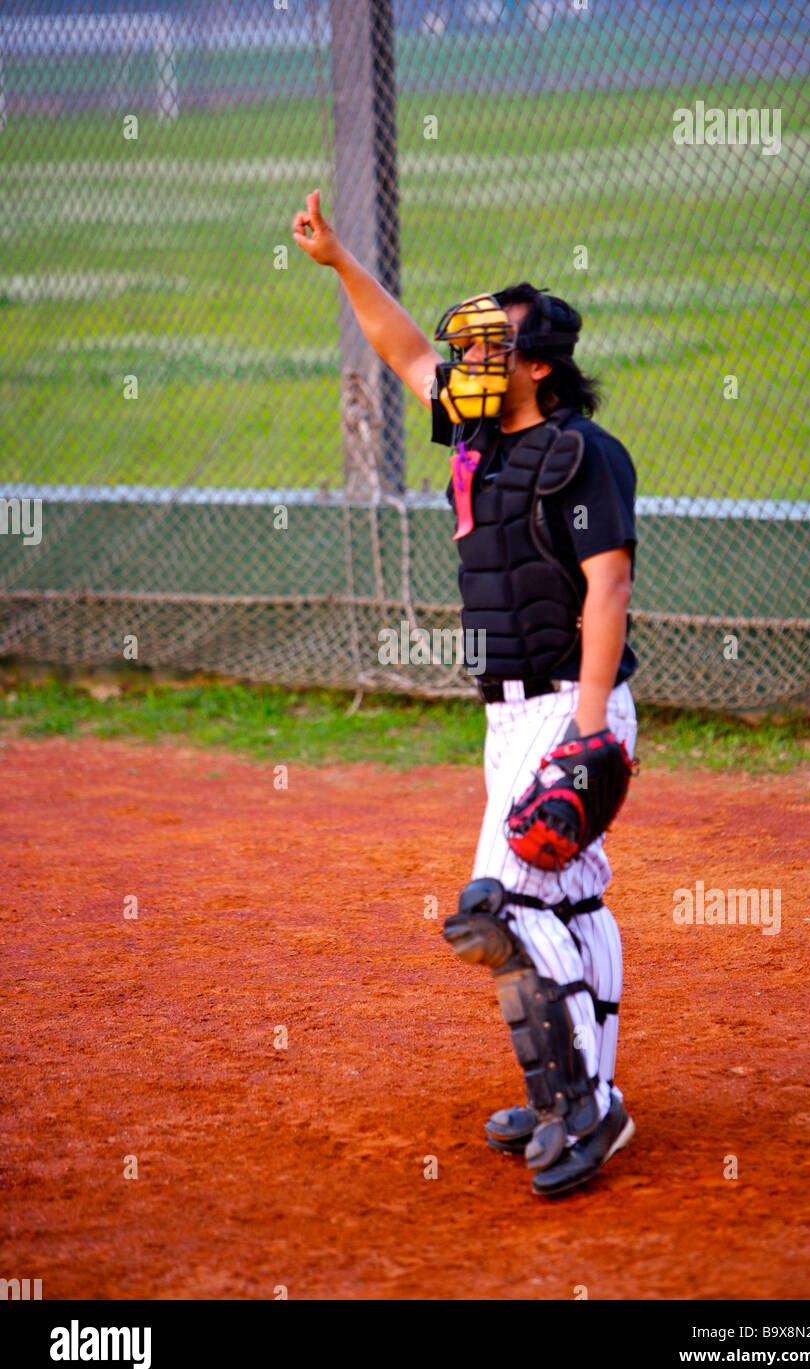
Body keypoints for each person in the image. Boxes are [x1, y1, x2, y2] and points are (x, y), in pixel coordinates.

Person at [294, 190, 639, 1197]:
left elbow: (608, 587)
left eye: (496, 349)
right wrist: (343, 262)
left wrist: (585, 738)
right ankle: (583, 1088)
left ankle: (585, 1110)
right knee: (569, 899)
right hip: (508, 713)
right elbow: (403, 352)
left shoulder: (583, 454)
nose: (471, 363)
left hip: (571, 707)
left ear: (540, 365)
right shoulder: (478, 433)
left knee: (497, 905)